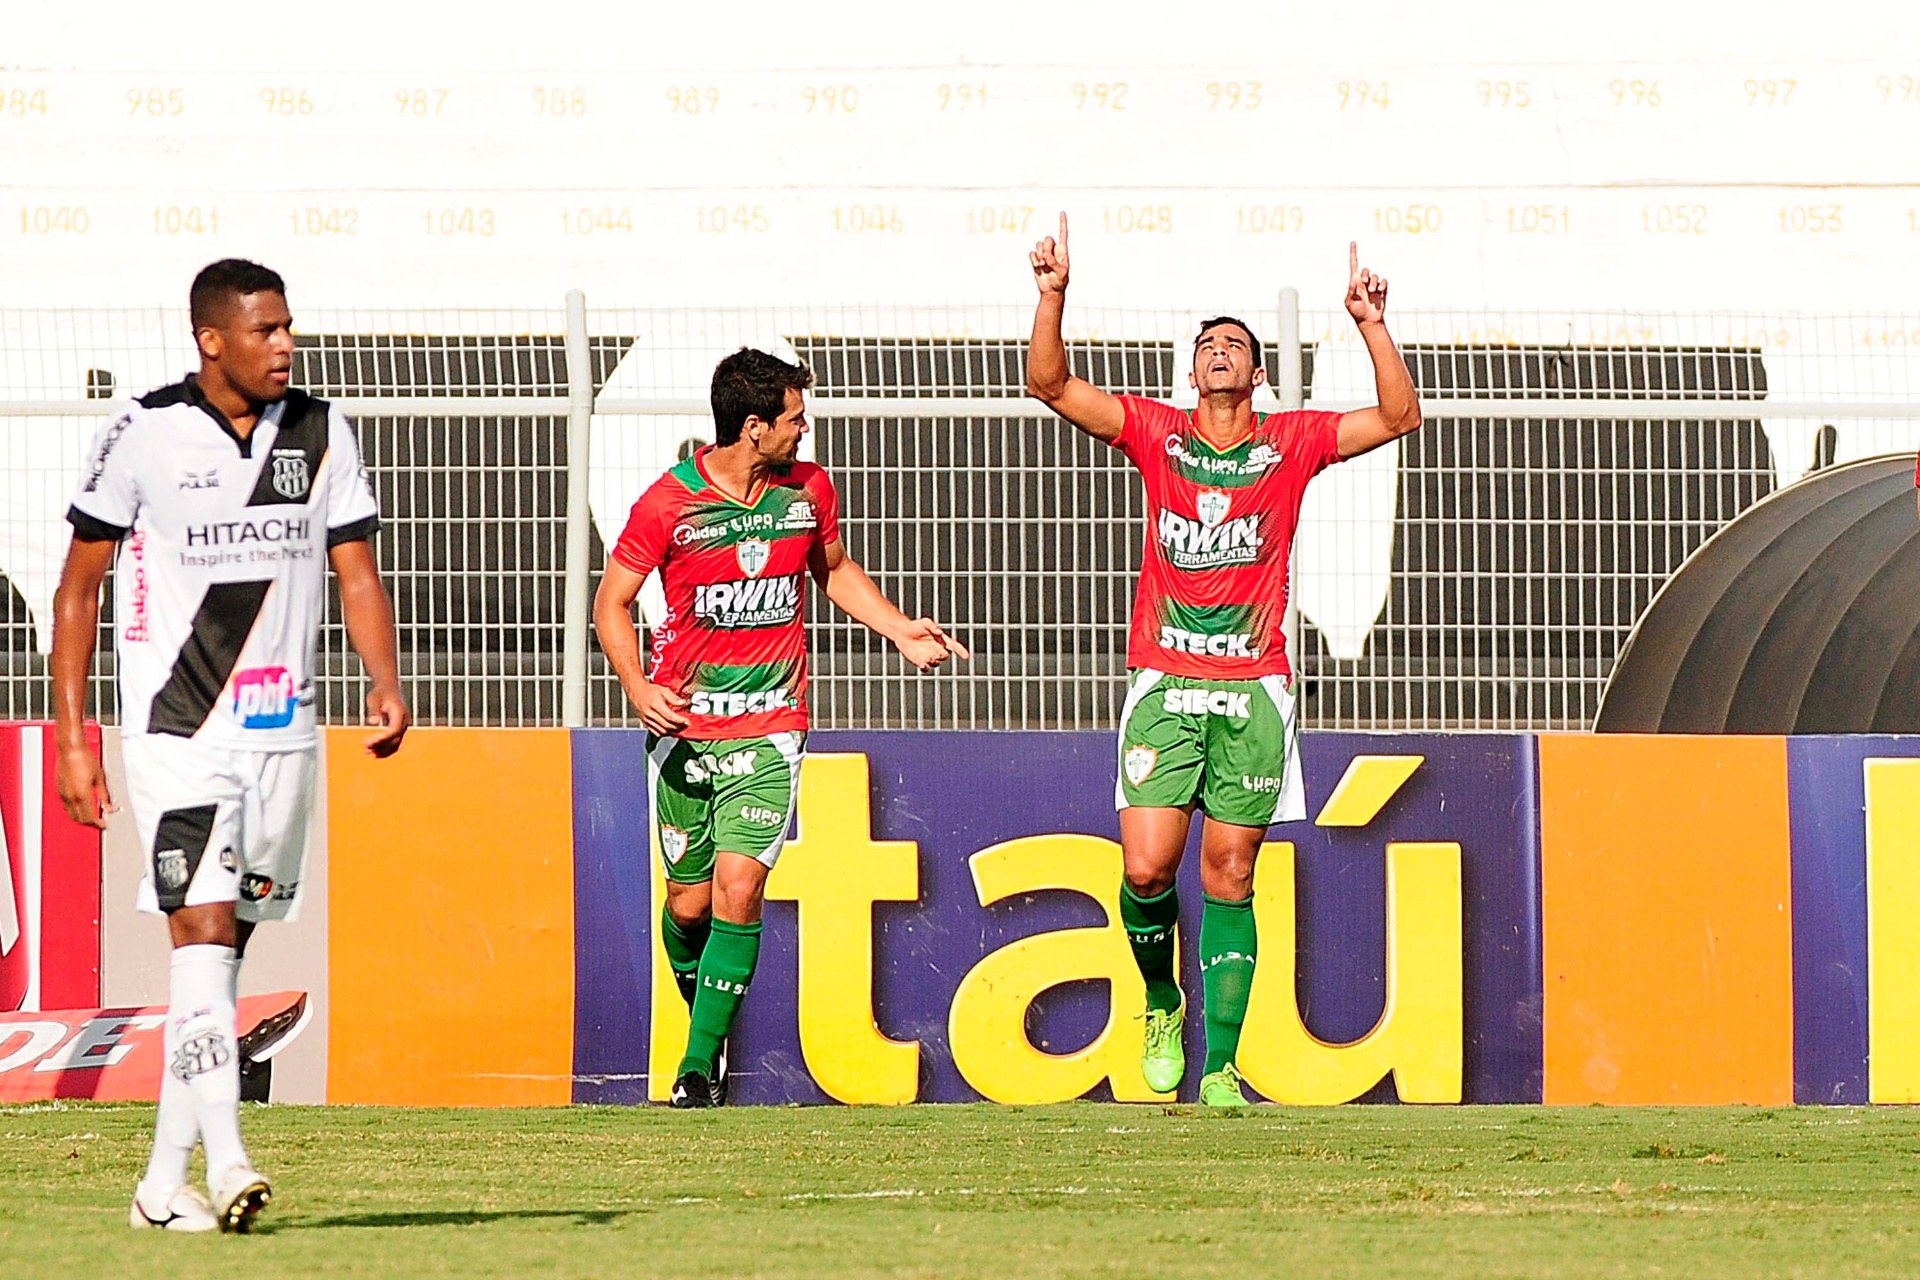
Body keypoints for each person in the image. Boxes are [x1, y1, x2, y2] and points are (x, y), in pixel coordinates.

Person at [1024, 215, 1421, 1106]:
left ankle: (1221, 1066)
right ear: (1191, 369)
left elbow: (1401, 415)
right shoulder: (1157, 437)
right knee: (1145, 869)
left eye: (1234, 344)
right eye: (1207, 344)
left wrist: (1369, 323)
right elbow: (1048, 383)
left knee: (1231, 871)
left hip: (1254, 689)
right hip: (1166, 680)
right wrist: (1053, 294)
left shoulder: (1292, 443)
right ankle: (1162, 1003)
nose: (1218, 352)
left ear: (1258, 374)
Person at [50, 259, 410, 1231]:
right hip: (177, 731)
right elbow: (78, 586)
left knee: (217, 960)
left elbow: (357, 570)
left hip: (282, 734)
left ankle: (162, 1185)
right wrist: (76, 734)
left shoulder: (323, 429)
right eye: (266, 330)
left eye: (290, 326)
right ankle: (233, 1156)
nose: (286, 343)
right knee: (202, 935)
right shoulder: (142, 429)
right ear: (213, 338)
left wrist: (383, 678)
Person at [594, 347, 967, 1108]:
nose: (807, 429)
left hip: (771, 725)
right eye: (795, 417)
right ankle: (711, 1019)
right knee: (689, 905)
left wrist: (897, 630)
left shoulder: (808, 490)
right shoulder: (668, 504)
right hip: (684, 732)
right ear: (754, 426)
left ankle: (696, 1071)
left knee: (739, 890)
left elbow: (833, 569)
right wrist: (636, 686)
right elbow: (612, 604)